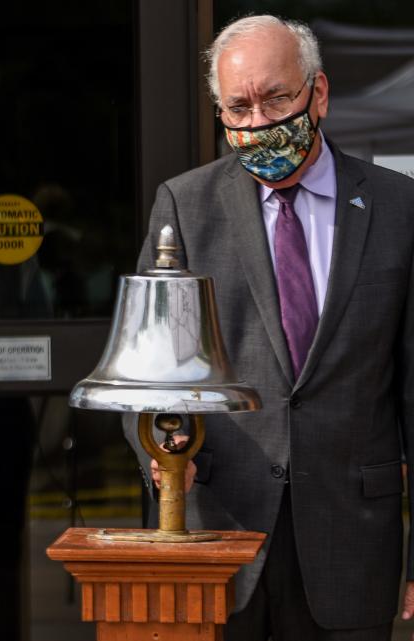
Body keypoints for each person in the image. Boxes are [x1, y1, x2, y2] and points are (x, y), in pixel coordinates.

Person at [124, 15, 414, 640]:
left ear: (320, 93)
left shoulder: (398, 207)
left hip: (354, 545)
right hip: (221, 531)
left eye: (277, 98)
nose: (258, 122)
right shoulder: (185, 204)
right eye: (239, 106)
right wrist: (160, 444)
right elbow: (147, 369)